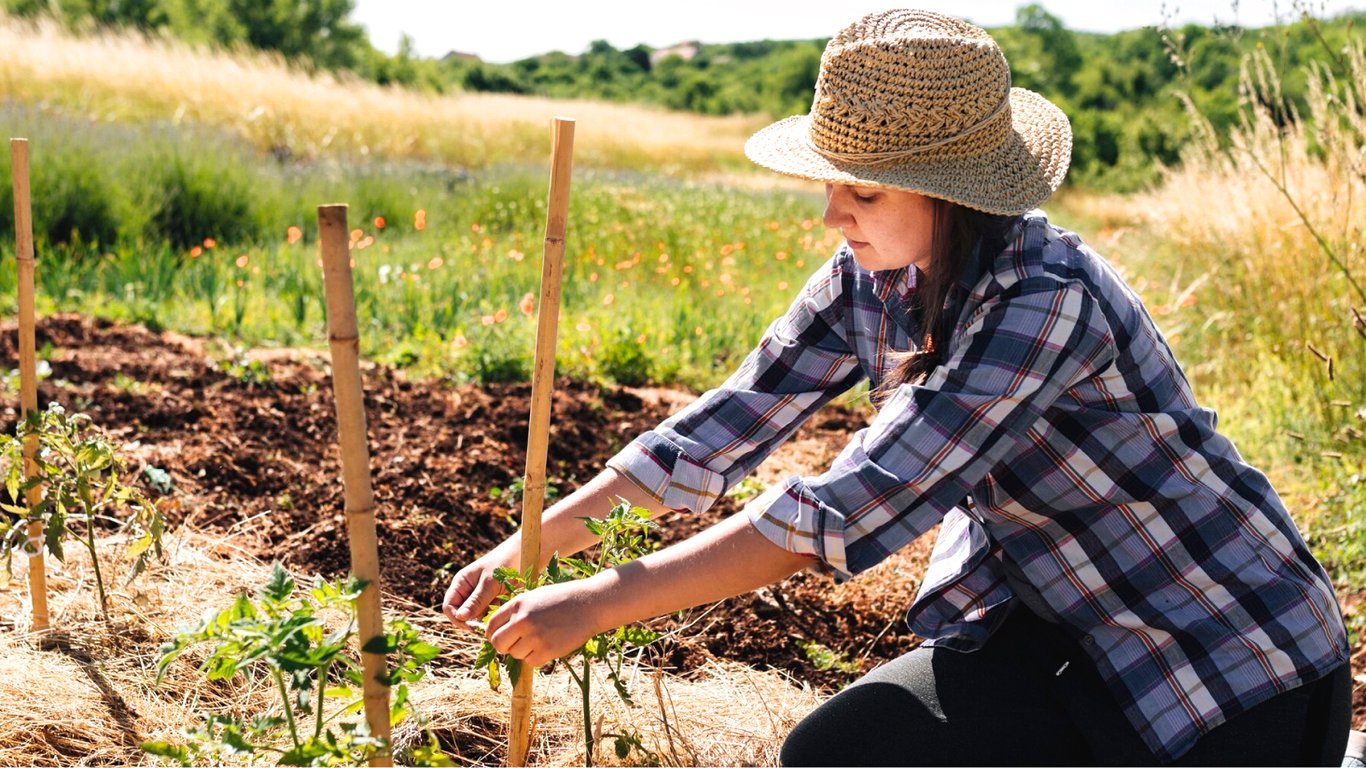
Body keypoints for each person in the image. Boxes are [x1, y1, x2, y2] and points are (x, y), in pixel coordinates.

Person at [443, 9, 1354, 766]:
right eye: (830, 186)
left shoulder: (1042, 302)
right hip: (1053, 623)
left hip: (1222, 656)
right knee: (840, 754)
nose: (833, 215)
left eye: (864, 195)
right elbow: (730, 419)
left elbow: (844, 508)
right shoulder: (871, 274)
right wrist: (541, 539)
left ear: (949, 195)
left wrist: (597, 602)